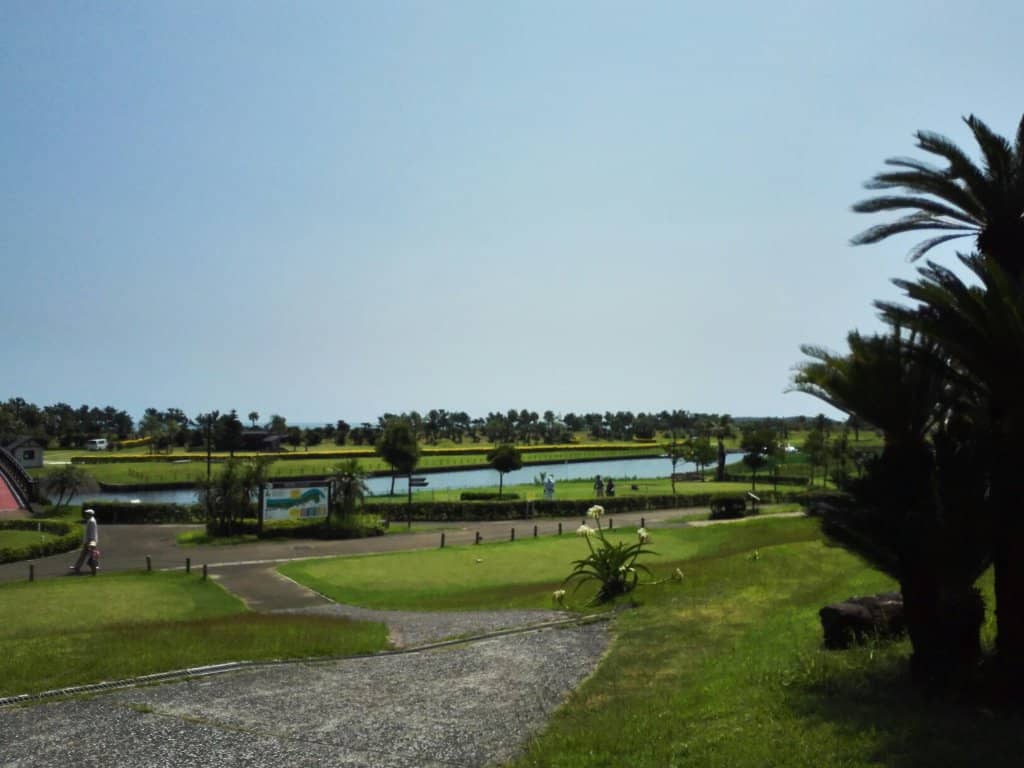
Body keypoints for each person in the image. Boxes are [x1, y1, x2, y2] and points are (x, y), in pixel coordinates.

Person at [70, 508, 99, 575]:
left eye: (87, 513)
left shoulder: (91, 521)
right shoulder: (91, 520)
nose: (86, 515)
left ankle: (93, 567)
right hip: (91, 540)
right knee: (85, 554)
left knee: (91, 555)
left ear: (90, 514)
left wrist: (90, 542)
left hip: (91, 541)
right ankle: (77, 567)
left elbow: (92, 532)